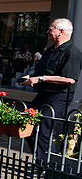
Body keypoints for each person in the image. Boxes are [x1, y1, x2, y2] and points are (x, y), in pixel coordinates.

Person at [22, 19, 79, 163]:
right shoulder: (50, 50)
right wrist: (30, 77)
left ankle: (46, 165)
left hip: (58, 97)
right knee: (25, 123)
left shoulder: (72, 53)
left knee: (46, 130)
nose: (47, 32)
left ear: (61, 32)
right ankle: (40, 159)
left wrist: (41, 79)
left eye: (51, 29)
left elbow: (69, 79)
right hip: (43, 94)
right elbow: (42, 71)